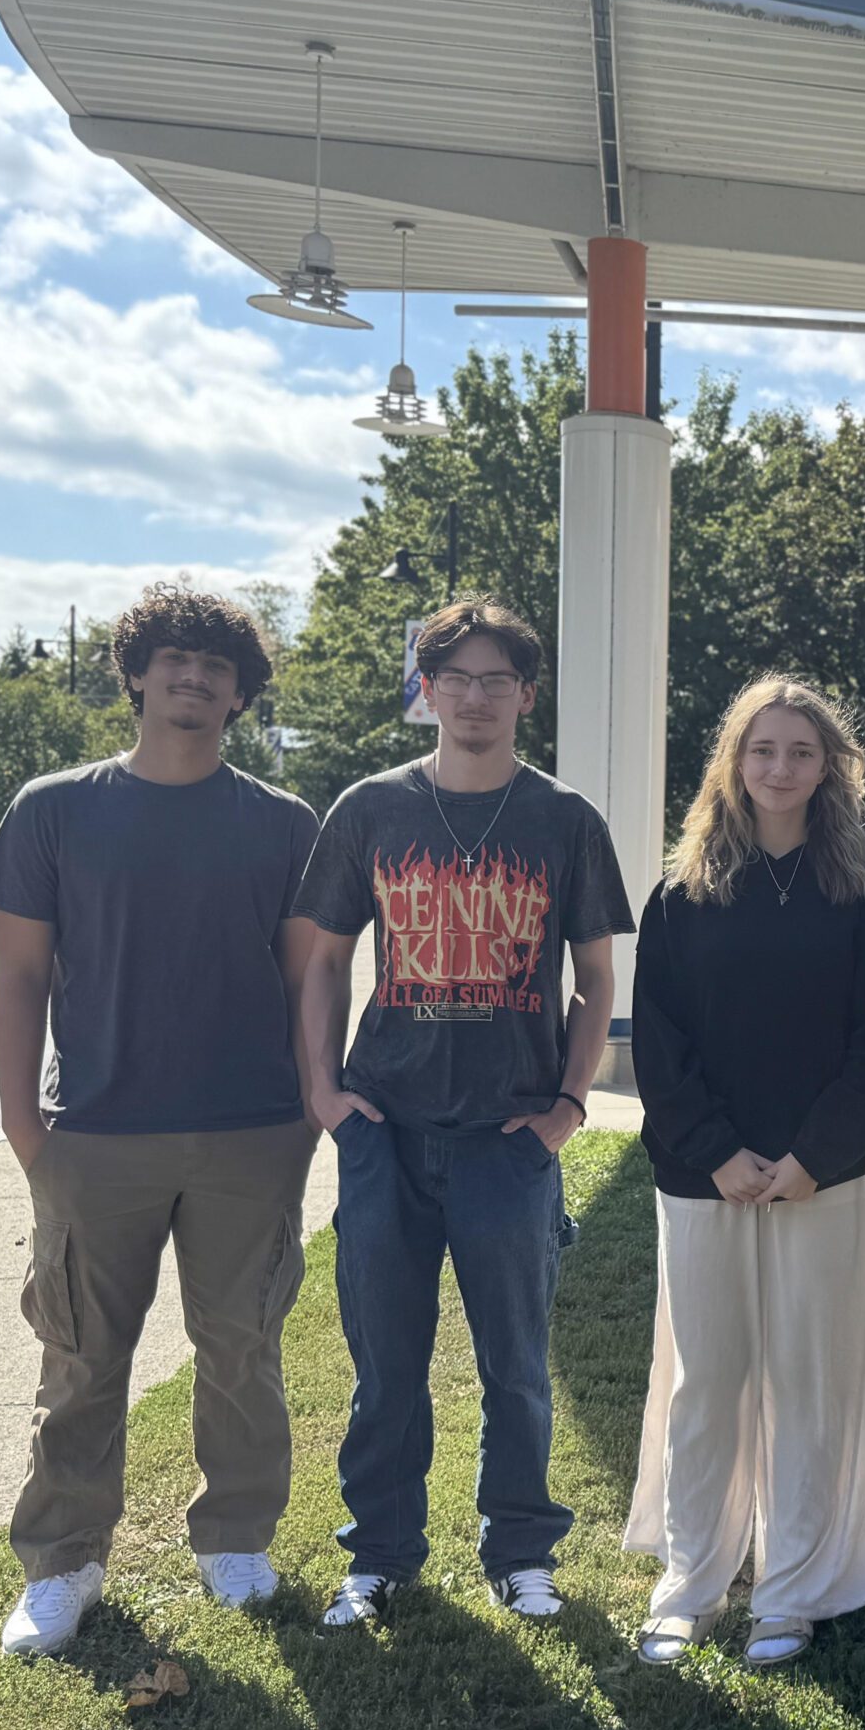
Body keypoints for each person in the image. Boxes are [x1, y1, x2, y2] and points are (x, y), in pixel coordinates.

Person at [0, 585, 319, 1657]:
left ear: (239, 696)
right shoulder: (54, 809)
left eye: (215, 667)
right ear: (134, 674)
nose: (193, 677)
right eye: (173, 659)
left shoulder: (282, 824)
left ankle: (236, 1538)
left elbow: (311, 981)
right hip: (94, 1132)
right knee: (80, 1357)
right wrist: (23, 1126)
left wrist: (308, 1113)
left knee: (241, 1347)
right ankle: (63, 1564)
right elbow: (20, 978)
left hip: (249, 1135)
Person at [293, 600, 632, 1630]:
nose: (476, 697)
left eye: (497, 681)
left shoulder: (563, 821)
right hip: (385, 1129)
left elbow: (595, 982)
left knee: (516, 1369)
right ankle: (382, 1556)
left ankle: (520, 1551)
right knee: (385, 1366)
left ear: (526, 697)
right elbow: (322, 960)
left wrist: (569, 1107)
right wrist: (324, 1094)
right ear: (426, 691)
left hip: (510, 1135)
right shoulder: (369, 810)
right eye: (457, 679)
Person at [621, 676, 865, 1668]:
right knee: (707, 1382)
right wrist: (716, 1151)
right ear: (732, 765)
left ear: (829, 768)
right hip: (702, 1176)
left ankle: (788, 1590)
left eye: (799, 751)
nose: (779, 768)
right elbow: (658, 1048)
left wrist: (808, 1159)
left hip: (816, 1180)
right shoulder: (683, 893)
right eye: (761, 750)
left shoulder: (863, 896)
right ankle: (691, 1582)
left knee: (807, 1383)